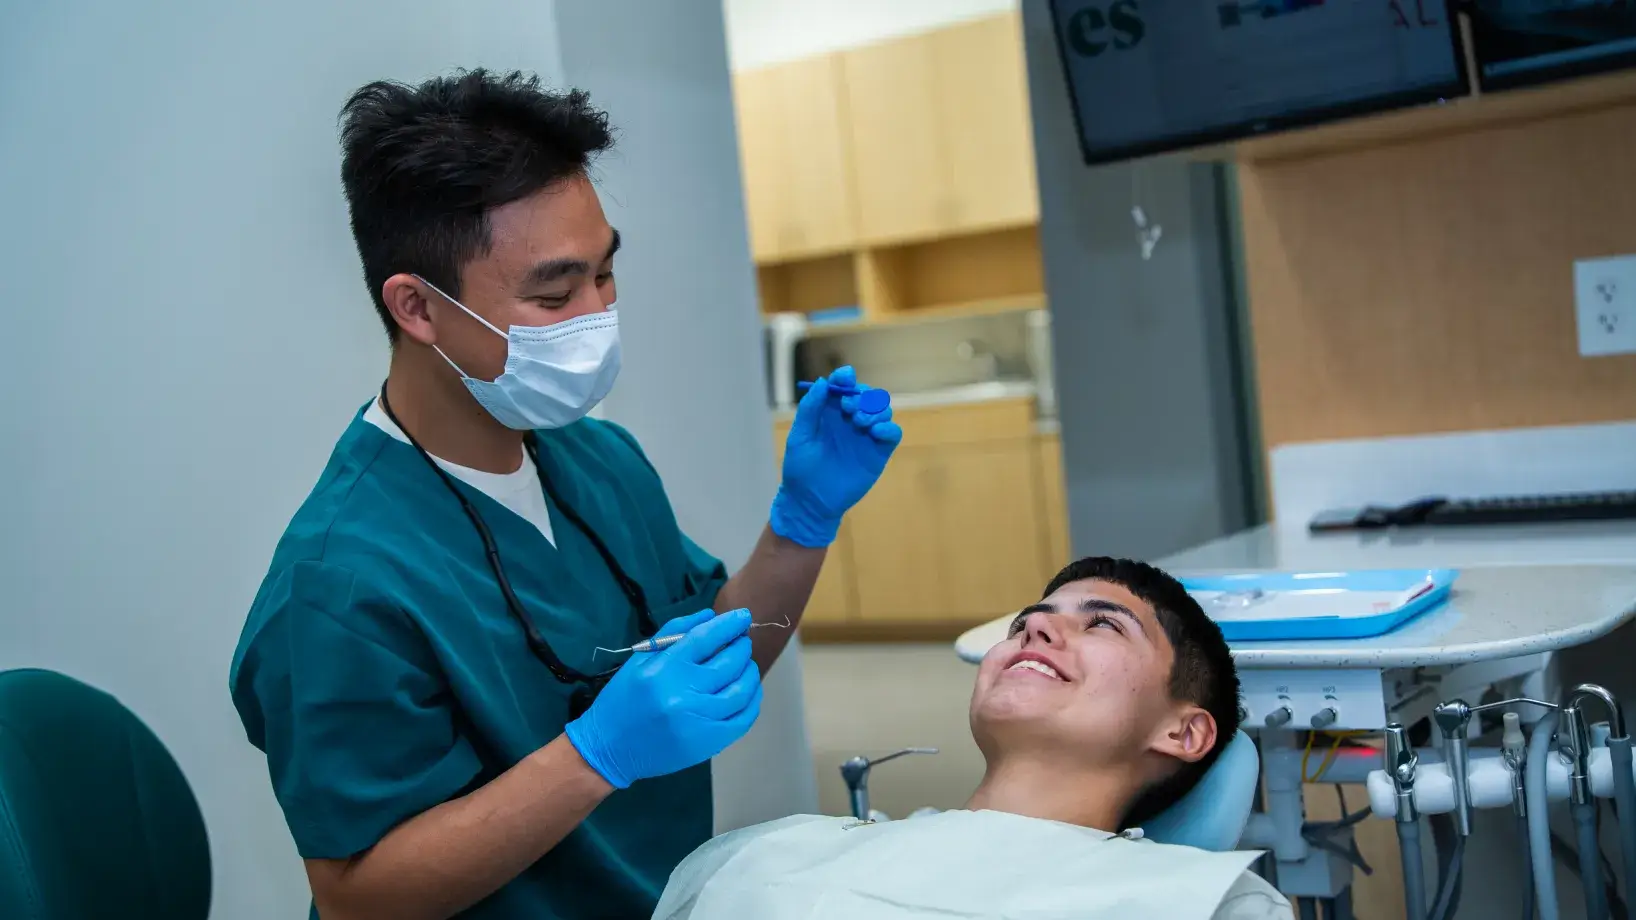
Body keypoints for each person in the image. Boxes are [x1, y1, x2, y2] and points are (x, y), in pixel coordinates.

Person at [228, 69, 901, 920]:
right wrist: (591, 757)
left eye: (605, 275)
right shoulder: (339, 584)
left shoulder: (601, 462)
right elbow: (361, 895)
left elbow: (720, 673)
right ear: (418, 309)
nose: (597, 316)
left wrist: (803, 523)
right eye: (554, 294)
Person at [653, 557, 1294, 920]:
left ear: (1184, 731)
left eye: (1103, 627)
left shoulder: (1206, 907)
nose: (1036, 632)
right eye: (1026, 624)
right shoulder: (768, 853)